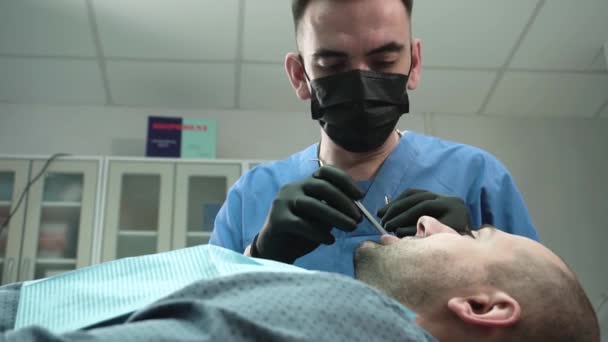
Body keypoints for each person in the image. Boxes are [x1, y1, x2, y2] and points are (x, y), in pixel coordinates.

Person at [209, 0, 539, 275]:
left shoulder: (476, 178)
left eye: (383, 61)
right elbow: (198, 324)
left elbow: (548, 316)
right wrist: (258, 256)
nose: (362, 82)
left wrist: (472, 250)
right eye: (332, 64)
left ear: (415, 63)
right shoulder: (251, 196)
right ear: (300, 76)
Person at [0, 217, 599, 341]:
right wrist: (257, 255)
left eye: (471, 236)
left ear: (483, 306)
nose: (431, 222)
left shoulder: (370, 328)